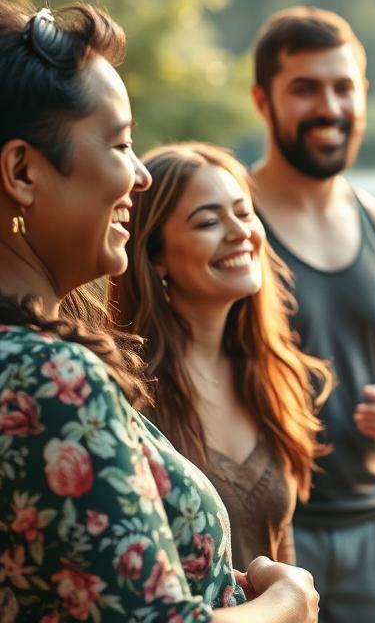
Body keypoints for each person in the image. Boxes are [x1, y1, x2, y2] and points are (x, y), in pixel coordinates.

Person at [0, 0, 318, 622]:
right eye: (120, 144)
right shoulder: (51, 380)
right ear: (22, 171)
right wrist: (286, 602)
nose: (139, 176)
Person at [247, 6, 375, 622]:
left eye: (343, 87)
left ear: (364, 95)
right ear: (263, 100)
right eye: (305, 89)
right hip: (266, 530)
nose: (329, 106)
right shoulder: (229, 223)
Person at [108, 142, 332, 568]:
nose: (240, 232)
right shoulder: (129, 396)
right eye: (209, 221)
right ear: (155, 257)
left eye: (244, 212)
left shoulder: (272, 373)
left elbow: (282, 552)